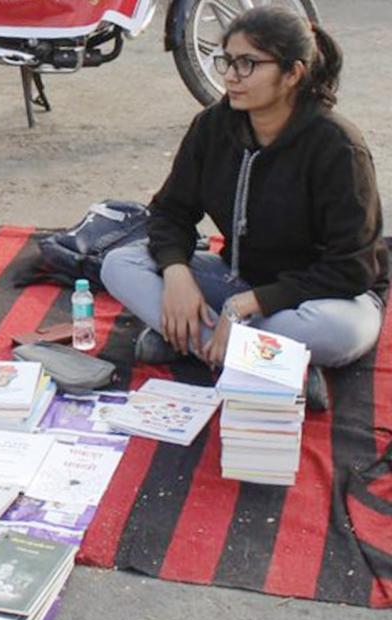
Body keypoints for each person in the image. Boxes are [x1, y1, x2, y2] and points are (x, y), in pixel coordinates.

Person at [100, 6, 388, 411]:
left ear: (293, 74)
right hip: (239, 279)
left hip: (322, 300)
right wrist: (177, 272)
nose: (231, 76)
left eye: (248, 64)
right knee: (119, 264)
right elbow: (169, 212)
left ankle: (192, 338)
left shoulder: (337, 147)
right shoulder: (213, 127)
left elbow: (352, 269)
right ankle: (272, 363)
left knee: (338, 331)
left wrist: (245, 306)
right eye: (228, 61)